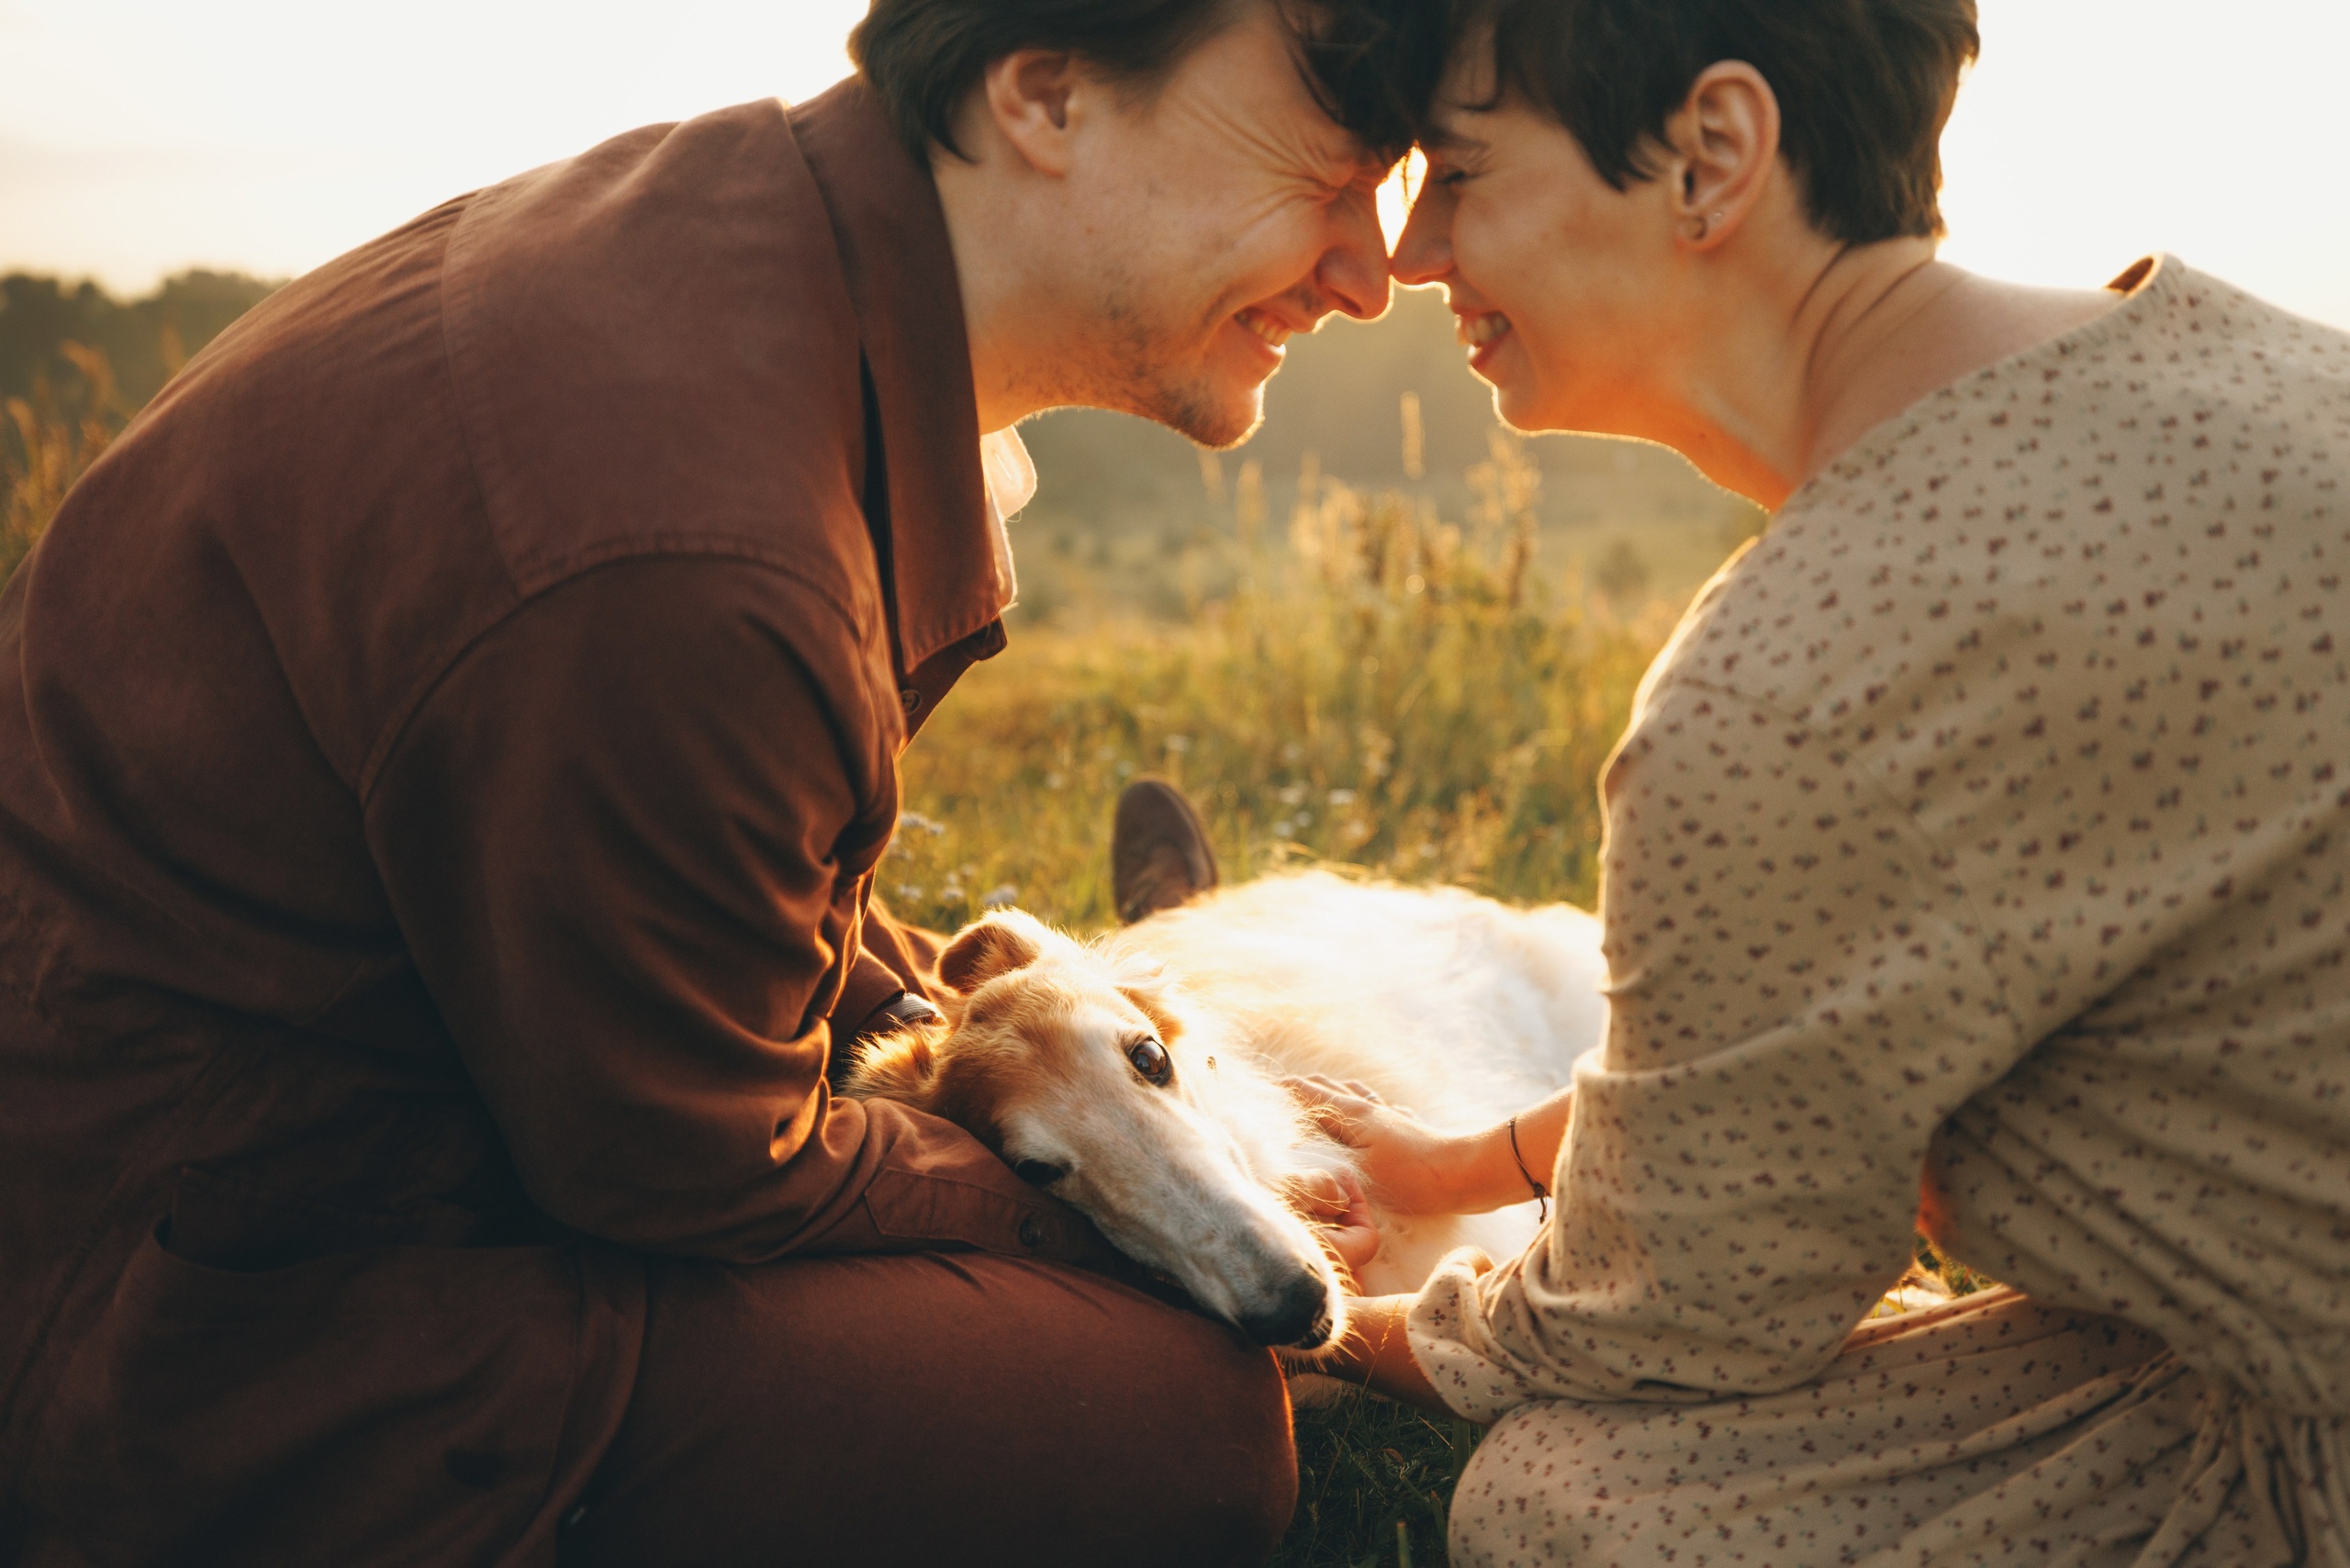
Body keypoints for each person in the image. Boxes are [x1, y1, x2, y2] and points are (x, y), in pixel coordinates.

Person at [0, 2, 1436, 1563]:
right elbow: (686, 1165)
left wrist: (1172, 1121)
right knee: (1175, 1420)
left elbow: (740, 911)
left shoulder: (742, 265)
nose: (1372, 272)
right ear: (1045, 95)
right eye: (1323, 172)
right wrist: (1091, 1185)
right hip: (198, 1325)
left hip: (316, 1143)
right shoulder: (692, 548)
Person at [1299, 0, 2350, 1562]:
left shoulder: (1803, 682)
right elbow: (1789, 1050)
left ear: (1713, 153)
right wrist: (1452, 1165)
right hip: (2273, 1310)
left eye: (1458, 172)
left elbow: (1676, 1317)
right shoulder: (2263, 361)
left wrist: (1329, 1319)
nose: (1410, 256)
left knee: (1563, 1507)